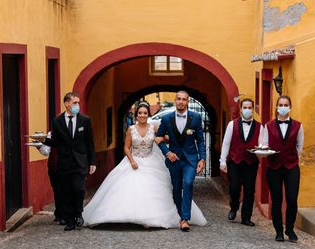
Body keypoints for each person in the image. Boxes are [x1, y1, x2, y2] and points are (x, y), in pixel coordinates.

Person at [82, 102, 206, 228]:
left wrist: (176, 142)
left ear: (148, 114)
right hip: (134, 160)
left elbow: (163, 138)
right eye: (140, 113)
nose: (142, 115)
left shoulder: (154, 127)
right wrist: (132, 161)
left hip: (150, 161)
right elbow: (126, 148)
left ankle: (151, 218)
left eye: (145, 113)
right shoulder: (131, 129)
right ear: (136, 115)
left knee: (154, 188)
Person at [43, 92, 96, 231]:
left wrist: (92, 162)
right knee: (67, 192)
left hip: (80, 162)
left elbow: (90, 142)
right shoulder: (57, 121)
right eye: (75, 103)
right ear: (66, 104)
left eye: (78, 103)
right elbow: (56, 142)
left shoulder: (85, 120)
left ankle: (78, 213)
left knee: (79, 190)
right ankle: (70, 221)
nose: (77, 105)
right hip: (65, 163)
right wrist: (43, 140)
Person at [155, 90, 206, 232]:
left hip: (191, 159)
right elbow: (158, 139)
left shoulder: (196, 118)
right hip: (174, 160)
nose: (181, 102)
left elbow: (200, 140)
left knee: (188, 183)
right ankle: (179, 215)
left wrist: (202, 159)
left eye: (184, 99)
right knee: (176, 188)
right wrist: (167, 152)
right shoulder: (166, 119)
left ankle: (185, 219)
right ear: (175, 100)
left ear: (187, 102)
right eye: (179, 99)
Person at [261, 95, 304, 242]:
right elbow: (264, 145)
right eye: (281, 104)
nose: (283, 107)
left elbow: (299, 147)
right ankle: (278, 231)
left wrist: (290, 158)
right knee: (276, 200)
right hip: (273, 167)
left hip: (292, 167)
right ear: (277, 107)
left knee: (292, 200)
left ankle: (290, 229)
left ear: (290, 107)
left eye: (286, 104)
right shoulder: (269, 125)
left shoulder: (298, 126)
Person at [219, 98, 261, 226]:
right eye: (245, 107)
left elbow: (262, 145)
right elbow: (226, 144)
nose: (247, 110)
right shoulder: (233, 124)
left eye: (249, 108)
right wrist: (223, 161)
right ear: (241, 109)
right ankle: (234, 206)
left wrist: (260, 150)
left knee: (249, 190)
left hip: (251, 163)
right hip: (235, 161)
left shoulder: (260, 127)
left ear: (253, 109)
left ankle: (246, 218)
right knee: (234, 188)